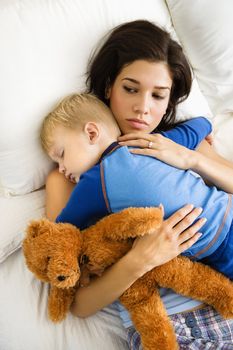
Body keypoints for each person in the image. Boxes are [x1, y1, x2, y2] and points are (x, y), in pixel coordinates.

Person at [44, 20, 233, 349]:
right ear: (108, 87)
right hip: (168, 323)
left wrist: (193, 160)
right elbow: (77, 301)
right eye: (130, 89)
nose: (143, 108)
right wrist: (139, 260)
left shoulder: (173, 143)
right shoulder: (66, 177)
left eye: (158, 95)